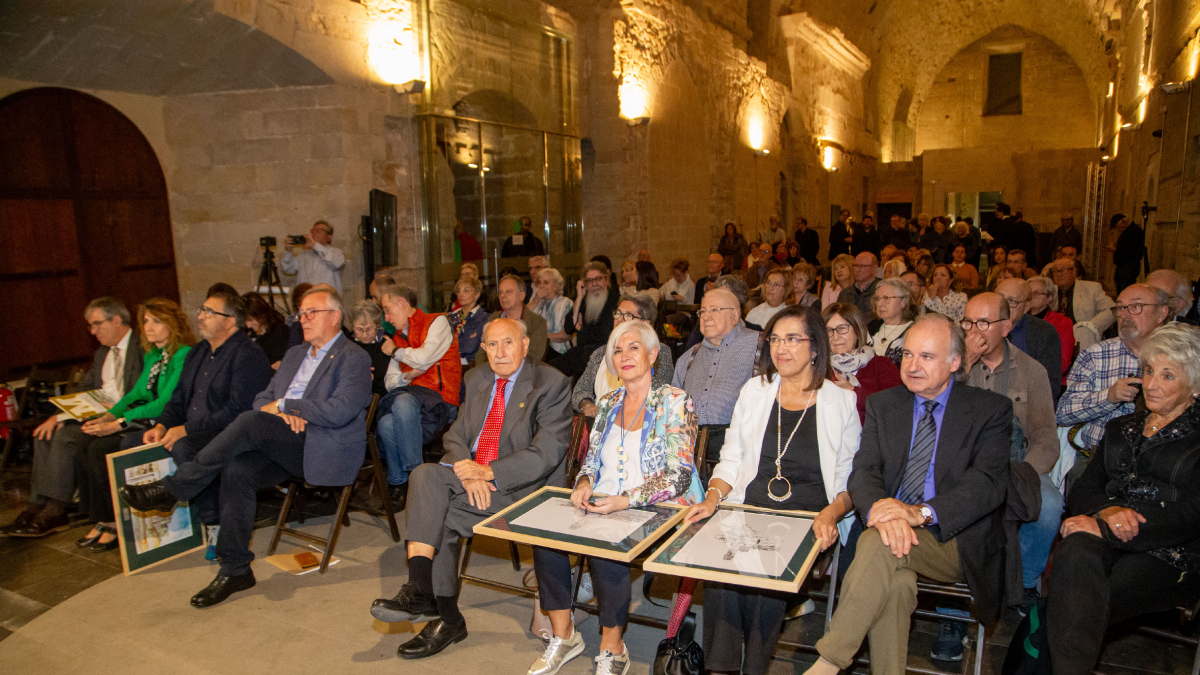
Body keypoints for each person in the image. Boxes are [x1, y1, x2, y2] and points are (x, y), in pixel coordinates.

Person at [120, 288, 371, 608]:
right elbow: (262, 399)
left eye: (311, 313)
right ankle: (235, 568)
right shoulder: (295, 354)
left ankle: (174, 488)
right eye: (300, 313)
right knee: (235, 467)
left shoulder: (354, 357)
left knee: (251, 422)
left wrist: (289, 406)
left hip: (322, 446)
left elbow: (340, 410)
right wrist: (280, 409)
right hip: (282, 441)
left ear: (334, 317)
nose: (302, 319)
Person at [803, 314, 1013, 675]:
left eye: (927, 357)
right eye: (908, 355)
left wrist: (921, 513)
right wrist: (883, 510)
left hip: (955, 537)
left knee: (878, 545)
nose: (913, 366)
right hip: (889, 528)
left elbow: (987, 485)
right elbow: (864, 471)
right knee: (896, 581)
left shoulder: (988, 410)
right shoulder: (886, 405)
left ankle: (828, 663)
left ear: (955, 362)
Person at [369, 319, 573, 658]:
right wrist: (470, 474)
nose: (500, 352)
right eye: (492, 345)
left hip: (527, 492)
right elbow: (455, 437)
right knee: (425, 475)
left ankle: (444, 615)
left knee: (440, 508)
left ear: (525, 344)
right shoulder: (477, 378)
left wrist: (487, 471)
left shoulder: (550, 382)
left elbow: (546, 454)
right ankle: (420, 589)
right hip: (476, 482)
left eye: (508, 343)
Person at [685, 305, 861, 675]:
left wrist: (832, 513)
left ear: (815, 347)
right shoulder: (755, 391)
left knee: (767, 570)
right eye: (775, 339)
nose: (781, 348)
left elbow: (849, 481)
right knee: (721, 567)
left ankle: (755, 667)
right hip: (750, 506)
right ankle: (721, 669)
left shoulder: (840, 402)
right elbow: (731, 456)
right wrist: (713, 498)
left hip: (807, 517)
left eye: (793, 339)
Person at [532, 319, 703, 675]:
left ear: (653, 354)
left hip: (660, 506)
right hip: (606, 501)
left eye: (634, 347)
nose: (624, 356)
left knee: (607, 537)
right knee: (543, 535)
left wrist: (625, 500)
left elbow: (679, 476)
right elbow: (591, 460)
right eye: (617, 350)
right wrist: (583, 483)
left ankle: (613, 645)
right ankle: (564, 636)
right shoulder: (608, 402)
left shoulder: (675, 401)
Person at [1047, 324, 1200, 675]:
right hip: (1105, 532)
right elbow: (1086, 487)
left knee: (1078, 596)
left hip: (1171, 551)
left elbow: (1194, 512)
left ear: (1193, 385)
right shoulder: (1122, 427)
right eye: (1148, 371)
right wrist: (1107, 512)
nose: (1151, 384)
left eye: (1167, 375)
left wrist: (1112, 528)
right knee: (1074, 553)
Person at [3, 298, 146, 537]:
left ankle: (56, 510)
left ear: (117, 320)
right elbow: (83, 388)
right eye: (90, 326)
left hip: (123, 419)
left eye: (97, 324)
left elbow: (143, 392)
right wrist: (57, 417)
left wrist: (114, 410)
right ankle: (36, 505)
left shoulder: (142, 348)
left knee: (65, 439)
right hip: (96, 414)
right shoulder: (102, 353)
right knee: (46, 433)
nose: (93, 331)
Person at [959, 293, 1061, 613]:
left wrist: (1024, 475)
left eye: (984, 323)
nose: (973, 331)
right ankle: (958, 597)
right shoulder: (953, 362)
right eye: (968, 322)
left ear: (1006, 327)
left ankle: (1027, 579)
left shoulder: (1031, 371)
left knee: (1051, 504)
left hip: (1016, 464)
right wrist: (965, 362)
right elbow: (932, 408)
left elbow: (1045, 436)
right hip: (962, 465)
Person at [73, 299, 195, 552]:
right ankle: (103, 517)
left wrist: (120, 422)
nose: (148, 327)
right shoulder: (154, 355)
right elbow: (134, 394)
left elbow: (165, 402)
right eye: (146, 321)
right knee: (84, 440)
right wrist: (109, 417)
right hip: (146, 419)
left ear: (172, 325)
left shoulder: (182, 354)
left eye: (156, 321)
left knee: (100, 449)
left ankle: (115, 521)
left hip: (166, 422)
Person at [1057, 283, 1171, 456]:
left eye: (1135, 306)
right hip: (1098, 456)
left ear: (1161, 313)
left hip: (1160, 458)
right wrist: (1108, 397)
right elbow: (1063, 413)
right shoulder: (1096, 354)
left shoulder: (1178, 357)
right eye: (1120, 308)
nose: (1124, 315)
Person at [378, 282, 462, 509]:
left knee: (402, 401)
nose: (386, 317)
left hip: (442, 402)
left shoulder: (437, 322)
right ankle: (399, 483)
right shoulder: (396, 338)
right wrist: (407, 377)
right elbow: (389, 382)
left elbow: (424, 358)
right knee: (386, 422)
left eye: (387, 309)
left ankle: (417, 479)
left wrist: (396, 353)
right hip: (414, 405)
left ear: (403, 304)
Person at [673, 288, 761, 466]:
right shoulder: (689, 356)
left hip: (742, 449)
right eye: (702, 311)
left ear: (735, 316)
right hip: (691, 452)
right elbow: (673, 407)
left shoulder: (760, 345)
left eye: (714, 309)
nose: (706, 316)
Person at [573, 293, 674, 416]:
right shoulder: (600, 353)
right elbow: (579, 391)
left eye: (627, 315)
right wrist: (587, 405)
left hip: (642, 421)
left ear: (645, 324)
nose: (620, 319)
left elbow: (656, 392)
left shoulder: (659, 352)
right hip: (600, 423)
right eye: (618, 314)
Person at [824, 303, 902, 424]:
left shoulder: (881, 365)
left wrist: (853, 391)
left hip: (873, 439)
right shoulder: (819, 368)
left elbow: (895, 407)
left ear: (857, 329)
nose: (835, 337)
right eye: (829, 330)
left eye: (842, 328)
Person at [988, 278, 1064, 400]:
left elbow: (1049, 386)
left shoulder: (1044, 332)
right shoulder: (980, 326)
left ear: (1026, 307)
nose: (1004, 306)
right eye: (1000, 299)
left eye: (1012, 301)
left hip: (1025, 404)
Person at [553, 261, 621, 377]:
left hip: (605, 355)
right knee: (551, 368)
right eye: (589, 280)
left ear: (606, 280)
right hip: (582, 356)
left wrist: (581, 329)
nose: (594, 284)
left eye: (598, 279)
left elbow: (605, 335)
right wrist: (579, 298)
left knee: (556, 368)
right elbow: (569, 328)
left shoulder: (615, 299)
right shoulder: (584, 299)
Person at [1048, 257, 1115, 351]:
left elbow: (1111, 309)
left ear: (1074, 272)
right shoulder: (1049, 291)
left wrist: (1091, 326)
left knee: (1083, 332)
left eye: (1063, 270)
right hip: (1055, 336)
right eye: (1055, 271)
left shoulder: (1092, 288)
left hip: (1081, 336)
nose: (1059, 274)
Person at [477, 275, 548, 365]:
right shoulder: (493, 319)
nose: (503, 296)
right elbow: (481, 353)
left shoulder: (536, 322)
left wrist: (505, 368)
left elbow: (534, 357)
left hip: (522, 375)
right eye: (500, 292)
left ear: (521, 296)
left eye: (508, 292)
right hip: (492, 373)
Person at [1028, 275, 1076, 384]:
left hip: (1051, 381)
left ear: (1049, 298)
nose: (1031, 296)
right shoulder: (1018, 320)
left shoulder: (1063, 323)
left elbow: (1061, 363)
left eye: (1036, 293)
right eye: (1028, 293)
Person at [280, 219, 346, 294]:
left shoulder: (336, 252)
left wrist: (316, 245)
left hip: (325, 300)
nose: (314, 233)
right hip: (305, 299)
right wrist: (288, 252)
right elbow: (287, 269)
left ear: (329, 237)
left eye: (319, 231)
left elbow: (336, 264)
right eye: (313, 230)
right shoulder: (304, 254)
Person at [868, 278, 919, 369]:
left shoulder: (914, 331)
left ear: (903, 302)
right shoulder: (870, 328)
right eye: (878, 299)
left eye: (886, 298)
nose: (880, 303)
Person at [349, 299, 391, 397]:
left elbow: (393, 379)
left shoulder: (388, 342)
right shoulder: (346, 343)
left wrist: (374, 377)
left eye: (369, 329)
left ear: (377, 325)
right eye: (359, 329)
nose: (364, 334)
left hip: (380, 397)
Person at [531, 268, 574, 357]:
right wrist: (535, 301)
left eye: (546, 282)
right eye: (539, 283)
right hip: (537, 352)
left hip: (559, 352)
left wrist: (542, 337)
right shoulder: (536, 302)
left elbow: (566, 335)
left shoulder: (565, 303)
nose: (541, 286)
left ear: (556, 286)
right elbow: (521, 319)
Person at [447, 276, 488, 365]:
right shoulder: (451, 317)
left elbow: (471, 347)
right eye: (459, 291)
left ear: (477, 294)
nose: (461, 294)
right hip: (451, 364)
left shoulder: (484, 318)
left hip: (473, 366)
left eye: (466, 290)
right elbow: (443, 344)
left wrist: (452, 345)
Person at [242, 292, 290, 364]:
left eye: (250, 319)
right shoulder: (246, 332)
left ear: (260, 314)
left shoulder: (280, 331)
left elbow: (275, 363)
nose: (248, 325)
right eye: (245, 320)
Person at [1108, 213, 1144, 294]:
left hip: (1128, 268)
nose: (1118, 229)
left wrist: (1116, 250)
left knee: (1125, 291)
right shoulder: (1128, 232)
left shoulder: (1135, 232)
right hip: (1123, 267)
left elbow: (1130, 251)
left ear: (1123, 222)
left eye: (1117, 227)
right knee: (1120, 289)